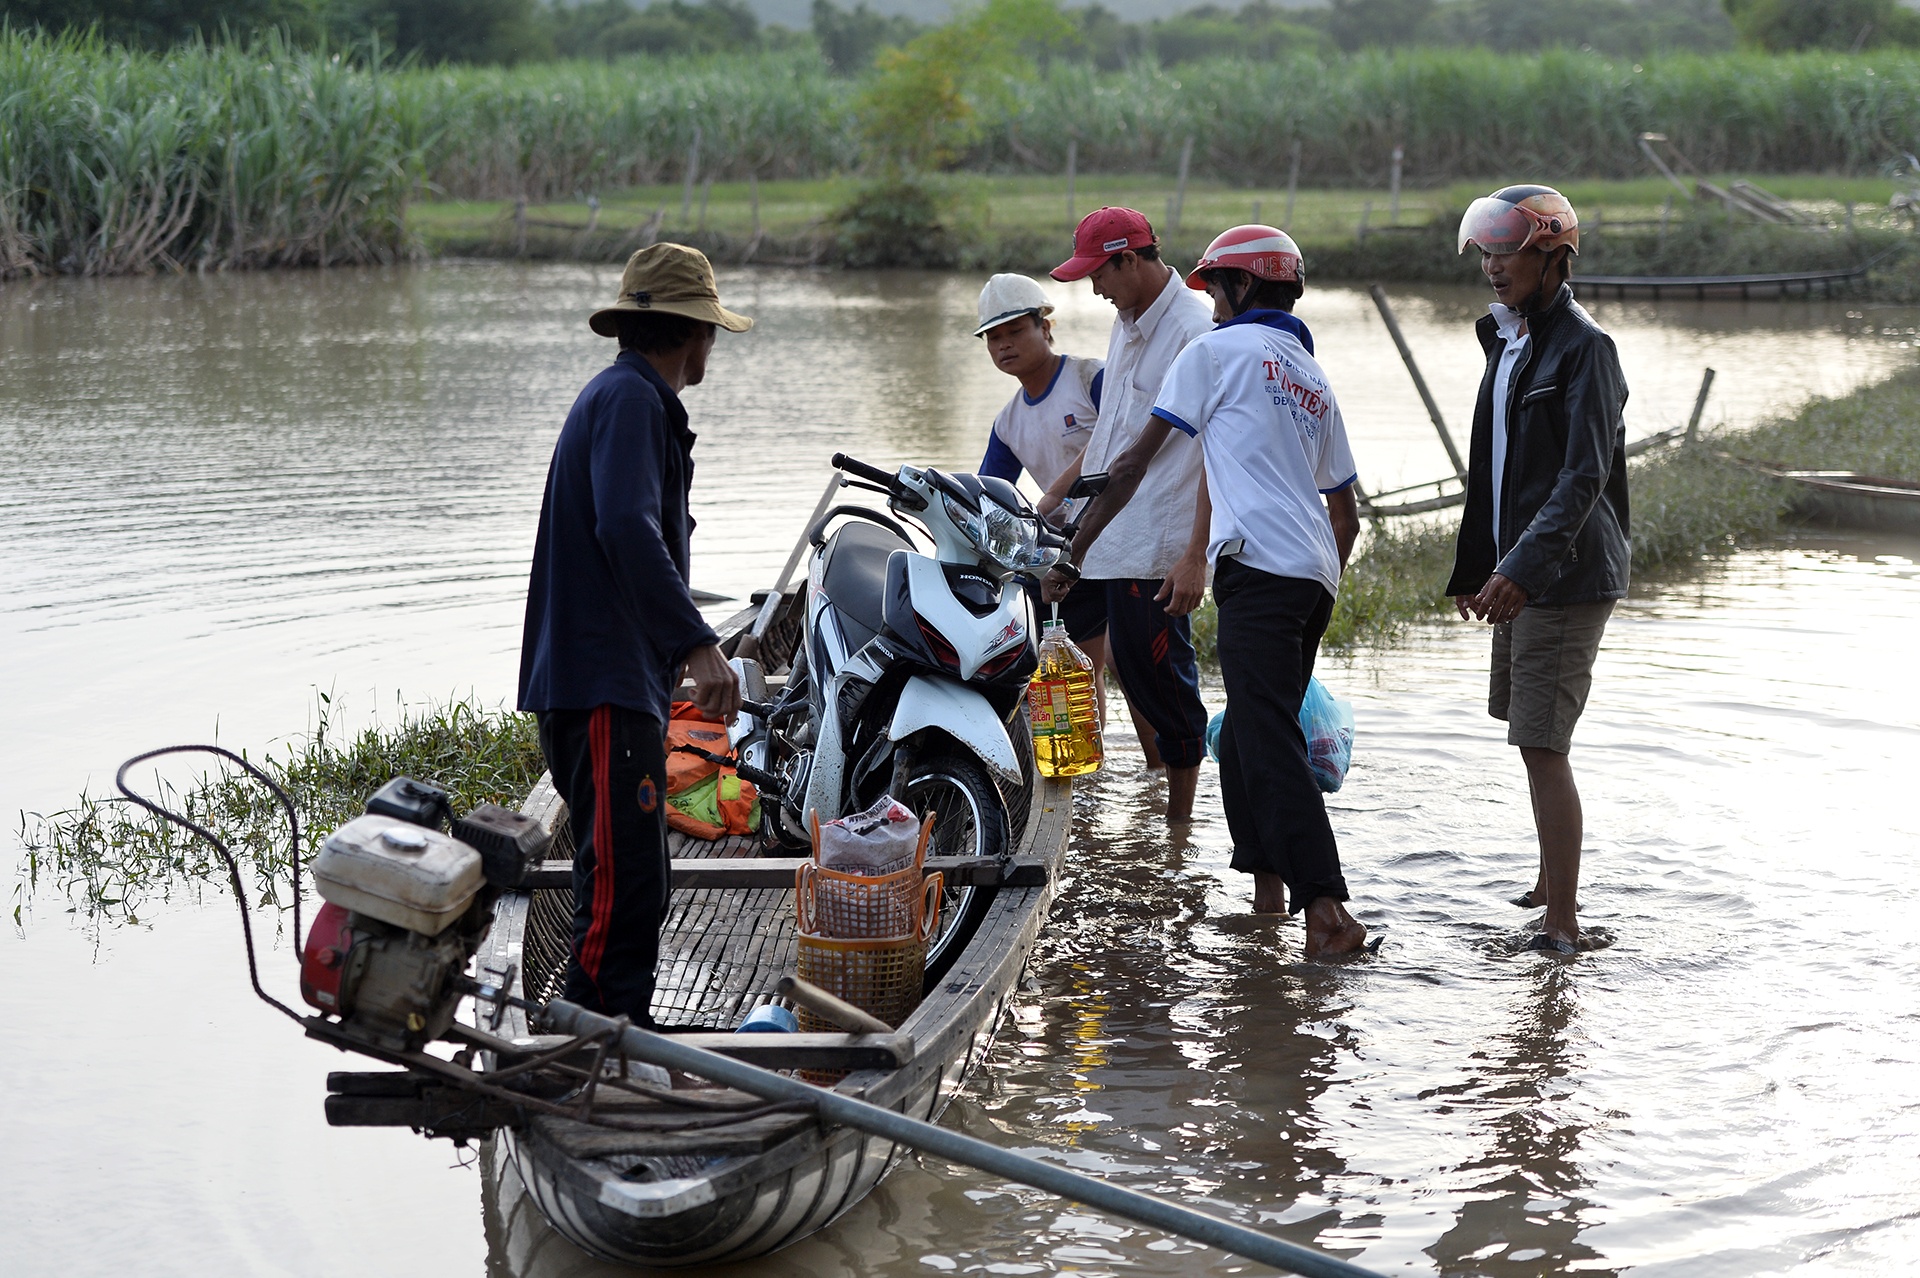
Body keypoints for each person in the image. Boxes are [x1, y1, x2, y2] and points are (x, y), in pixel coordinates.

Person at [1044, 224, 1370, 957]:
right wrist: (1319, 588)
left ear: (1242, 288)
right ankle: (1266, 897)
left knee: (1267, 738)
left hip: (1259, 569)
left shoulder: (1212, 352)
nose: (1211, 306)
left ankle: (1325, 912)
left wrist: (1074, 550)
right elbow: (1345, 513)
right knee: (1252, 732)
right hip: (1313, 572)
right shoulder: (1310, 378)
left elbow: (1130, 467)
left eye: (1216, 291)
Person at [518, 243, 749, 1026]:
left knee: (635, 875)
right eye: (711, 331)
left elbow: (632, 537)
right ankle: (588, 1037)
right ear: (694, 333)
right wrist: (697, 642)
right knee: (623, 882)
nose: (712, 345)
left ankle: (623, 1030)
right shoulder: (630, 402)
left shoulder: (628, 400)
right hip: (600, 683)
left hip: (613, 680)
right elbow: (626, 527)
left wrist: (669, 657)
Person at [1448, 186, 1630, 956]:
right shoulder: (1510, 339)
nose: (1493, 268)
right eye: (1486, 253)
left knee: (1543, 741)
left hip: (1565, 574)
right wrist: (1473, 565)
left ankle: (1562, 925)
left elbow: (1581, 480)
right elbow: (1491, 466)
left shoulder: (1585, 349)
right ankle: (1549, 881)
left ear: (1554, 257)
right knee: (1525, 732)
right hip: (1518, 567)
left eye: (1508, 254)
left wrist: (1522, 568)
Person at [1038, 207, 1213, 821]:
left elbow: (1209, 456)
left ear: (1131, 259)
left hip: (1154, 541)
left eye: (1100, 274)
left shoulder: (1195, 328)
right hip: (1107, 529)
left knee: (1164, 681)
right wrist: (1064, 509)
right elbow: (1111, 436)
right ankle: (1146, 800)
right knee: (1114, 667)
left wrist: (1195, 554)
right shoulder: (1127, 319)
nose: (1095, 289)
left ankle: (1179, 831)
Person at [969, 272, 1118, 725]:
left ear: (1045, 328)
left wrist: (1055, 492)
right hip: (1072, 552)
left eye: (1016, 331)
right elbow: (989, 497)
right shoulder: (1008, 423)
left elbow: (1122, 436)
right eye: (994, 338)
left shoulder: (1090, 377)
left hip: (1128, 541)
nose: (1005, 345)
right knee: (1080, 670)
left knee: (1135, 670)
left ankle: (1158, 769)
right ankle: (1097, 773)